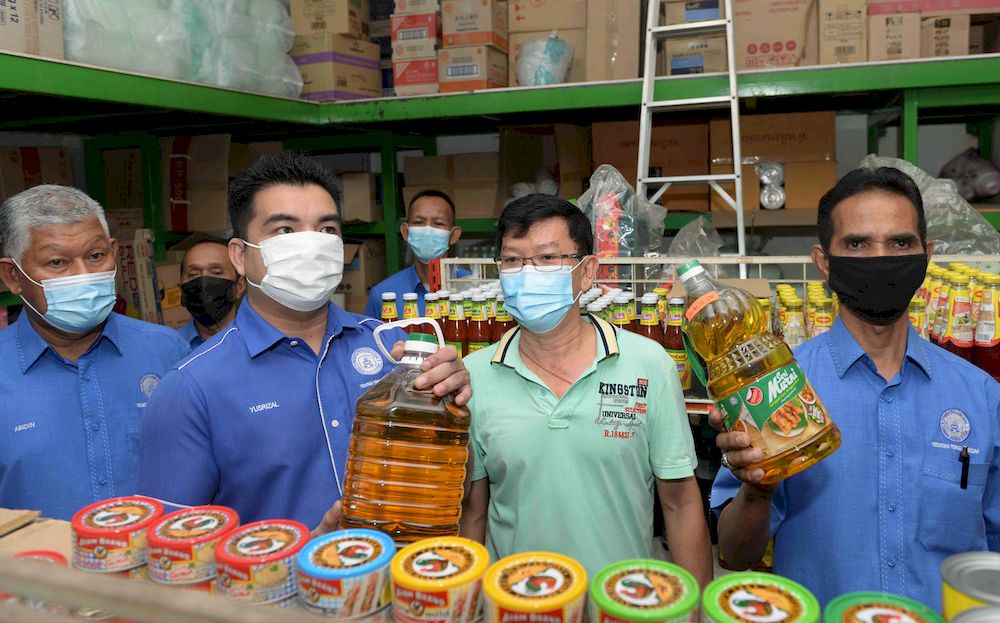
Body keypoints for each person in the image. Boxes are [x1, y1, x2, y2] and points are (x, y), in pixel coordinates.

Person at [711, 167, 999, 609]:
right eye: (856, 243)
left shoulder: (981, 396)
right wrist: (757, 489)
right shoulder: (777, 391)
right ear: (823, 261)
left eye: (900, 243)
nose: (879, 258)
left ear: (927, 254)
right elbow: (735, 554)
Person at [136, 152, 471, 531]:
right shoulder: (191, 389)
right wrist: (307, 554)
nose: (311, 245)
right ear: (240, 256)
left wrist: (452, 414)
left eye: (326, 230)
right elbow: (172, 553)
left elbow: (452, 480)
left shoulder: (390, 346)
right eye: (285, 231)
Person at [459, 194, 713, 585]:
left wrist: (695, 607)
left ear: (587, 271)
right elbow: (473, 513)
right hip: (514, 605)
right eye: (512, 260)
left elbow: (679, 503)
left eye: (547, 258)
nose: (528, 273)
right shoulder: (471, 376)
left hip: (624, 603)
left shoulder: (649, 364)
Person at [0, 185, 189, 520]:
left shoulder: (167, 351)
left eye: (95, 256)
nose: (84, 277)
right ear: (13, 276)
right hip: (36, 571)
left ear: (114, 252)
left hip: (160, 567)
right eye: (57, 262)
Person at [364, 190, 462, 318]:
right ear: (406, 232)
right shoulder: (383, 295)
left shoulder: (472, 288)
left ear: (453, 235)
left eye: (438, 223)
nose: (428, 230)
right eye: (418, 222)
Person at [175, 237, 245, 348]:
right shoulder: (171, 347)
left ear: (239, 286)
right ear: (181, 291)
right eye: (193, 274)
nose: (204, 282)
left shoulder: (265, 343)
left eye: (216, 272)